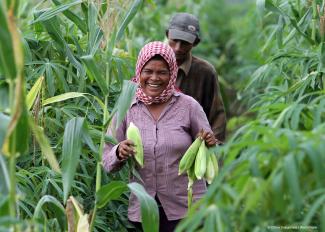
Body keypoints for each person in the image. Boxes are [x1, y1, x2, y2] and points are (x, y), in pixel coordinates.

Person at [102, 41, 217, 232]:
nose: (154, 78)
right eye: (148, 71)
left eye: (162, 72)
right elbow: (106, 160)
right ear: (139, 71)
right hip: (143, 208)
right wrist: (119, 151)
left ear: (172, 73)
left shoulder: (188, 106)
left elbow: (209, 149)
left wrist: (210, 143)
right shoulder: (126, 107)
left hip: (186, 208)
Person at [166, 12, 227, 142]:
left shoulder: (205, 72)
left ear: (195, 42)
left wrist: (214, 144)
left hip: (192, 147)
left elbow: (217, 114)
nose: (178, 48)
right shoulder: (152, 66)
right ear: (167, 35)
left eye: (185, 43)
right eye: (174, 40)